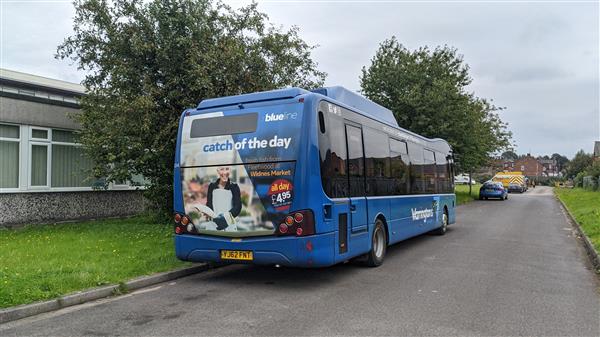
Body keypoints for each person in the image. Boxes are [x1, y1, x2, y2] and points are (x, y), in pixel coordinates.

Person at [205, 166, 242, 231]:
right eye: (222, 169)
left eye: (227, 169)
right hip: (213, 225)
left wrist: (224, 219)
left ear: (230, 171)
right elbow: (209, 203)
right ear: (218, 171)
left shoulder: (234, 187)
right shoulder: (211, 186)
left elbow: (238, 207)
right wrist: (207, 212)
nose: (224, 172)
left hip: (229, 225)